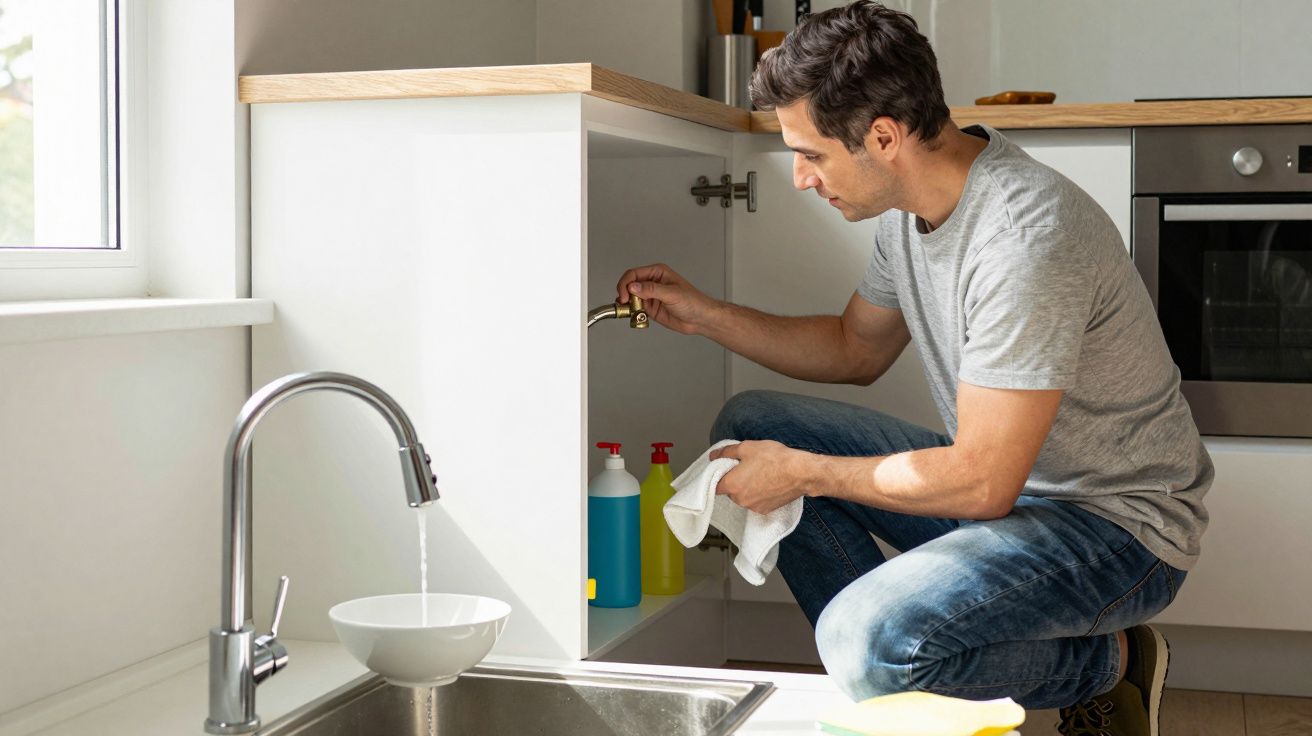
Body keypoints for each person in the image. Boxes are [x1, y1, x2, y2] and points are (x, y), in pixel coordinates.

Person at [613, 3, 1211, 735]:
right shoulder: (911, 208)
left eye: (812, 155)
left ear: (884, 137)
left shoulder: (1023, 238)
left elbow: (983, 482)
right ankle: (897, 655)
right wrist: (706, 314)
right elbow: (854, 349)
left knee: (865, 641)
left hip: (1114, 530)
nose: (800, 178)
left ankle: (1107, 662)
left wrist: (802, 473)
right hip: (1011, 496)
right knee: (753, 426)